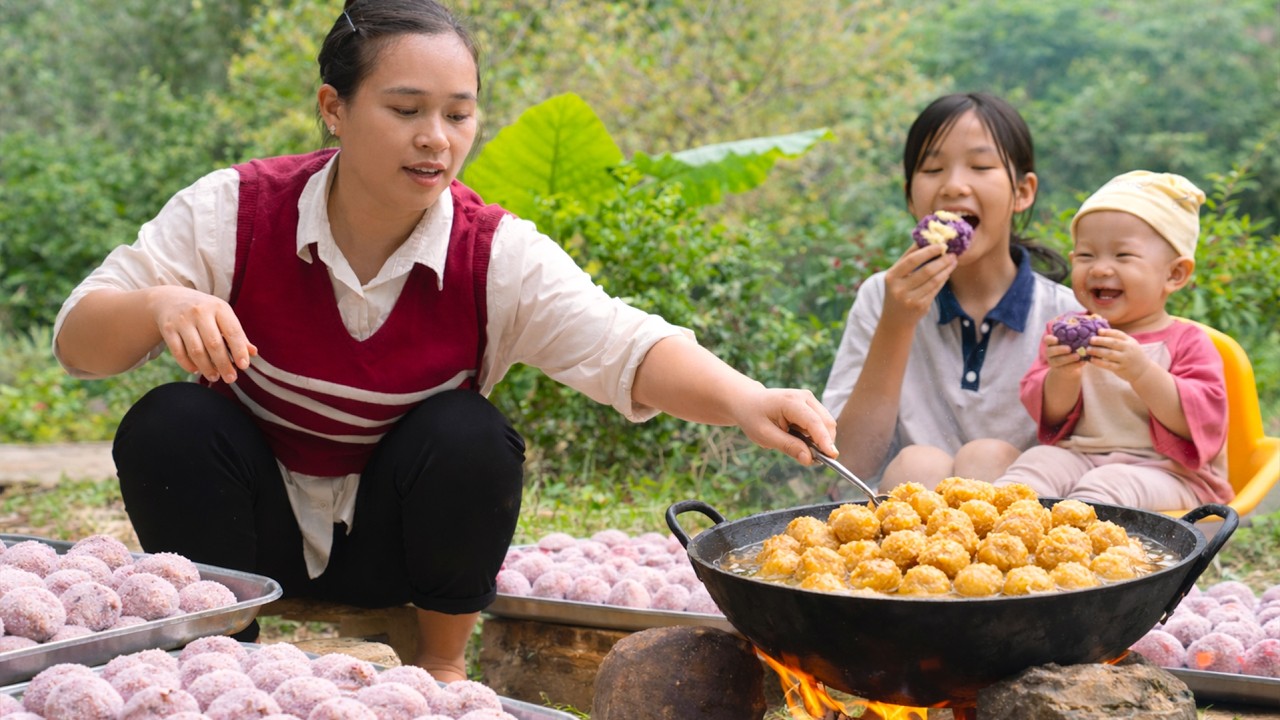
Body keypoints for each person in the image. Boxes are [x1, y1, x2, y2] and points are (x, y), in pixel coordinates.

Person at [52, 0, 836, 683]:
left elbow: (623, 344)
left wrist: (746, 399)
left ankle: (441, 666)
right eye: (405, 110)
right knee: (171, 423)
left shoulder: (494, 253)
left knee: (468, 433)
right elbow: (80, 342)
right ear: (334, 106)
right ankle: (222, 662)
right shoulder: (234, 211)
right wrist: (159, 303)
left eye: (458, 114)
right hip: (248, 545)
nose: (436, 139)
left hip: (399, 551)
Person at [821, 92, 1080, 496]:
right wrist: (897, 321)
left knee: (989, 457)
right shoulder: (881, 297)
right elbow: (851, 461)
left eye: (980, 165)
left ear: (1024, 190)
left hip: (1022, 534)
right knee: (918, 464)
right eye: (933, 168)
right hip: (903, 524)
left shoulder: (1067, 318)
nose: (954, 186)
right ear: (910, 196)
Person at [995, 171, 1231, 509]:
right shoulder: (1064, 332)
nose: (1100, 269)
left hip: (1170, 474)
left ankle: (1079, 554)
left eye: (1122, 256)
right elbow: (1049, 416)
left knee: (1104, 487)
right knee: (1035, 464)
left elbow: (1203, 421)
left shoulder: (1188, 341)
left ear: (1174, 274)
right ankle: (1005, 540)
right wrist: (1063, 374)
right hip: (1082, 457)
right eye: (1087, 256)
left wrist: (1141, 371)